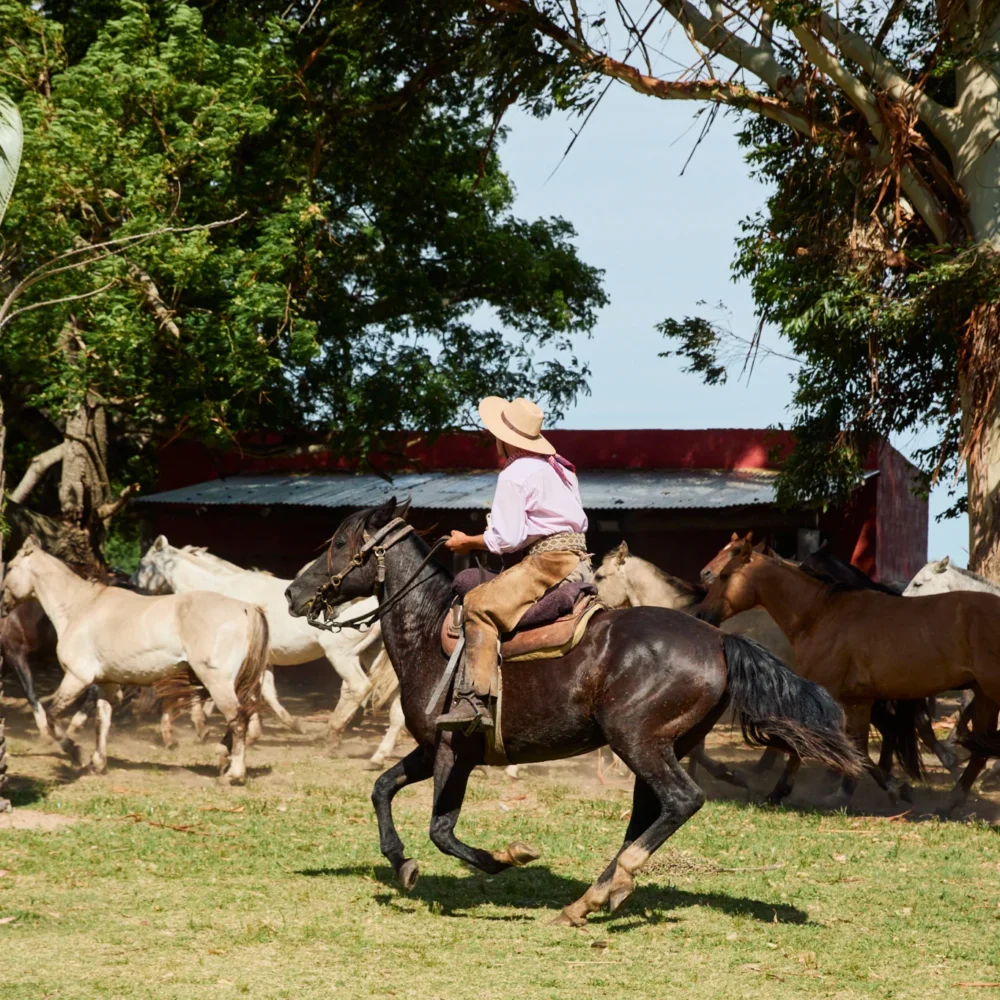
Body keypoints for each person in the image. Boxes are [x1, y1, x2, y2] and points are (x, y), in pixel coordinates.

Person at [436, 395, 589, 732]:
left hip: (547, 563)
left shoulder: (516, 473)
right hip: (579, 560)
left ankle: (475, 700)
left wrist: (467, 541)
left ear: (505, 439)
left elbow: (505, 539)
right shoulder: (560, 468)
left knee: (477, 603)